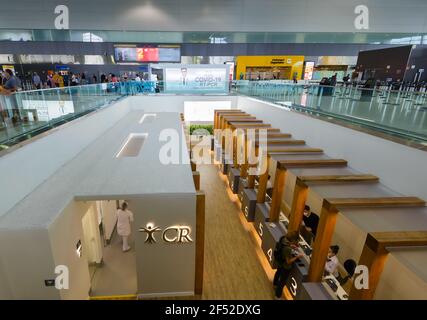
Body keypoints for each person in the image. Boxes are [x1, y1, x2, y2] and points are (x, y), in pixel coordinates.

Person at [273, 231, 304, 299]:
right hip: (285, 267)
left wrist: (291, 246)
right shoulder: (288, 249)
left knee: (278, 272)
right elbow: (288, 261)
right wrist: (297, 257)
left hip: (280, 261)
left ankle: (275, 284)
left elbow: (285, 245)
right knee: (282, 282)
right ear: (293, 239)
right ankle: (277, 296)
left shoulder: (283, 238)